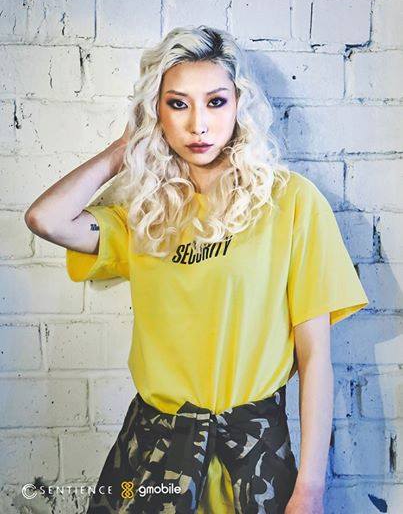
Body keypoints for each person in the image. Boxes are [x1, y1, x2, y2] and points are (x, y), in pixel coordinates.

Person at [25, 25, 369, 514]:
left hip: (255, 458)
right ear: (157, 112)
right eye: (177, 104)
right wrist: (125, 148)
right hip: (153, 454)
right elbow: (46, 219)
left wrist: (310, 487)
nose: (198, 125)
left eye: (216, 102)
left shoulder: (291, 203)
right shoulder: (145, 214)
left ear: (239, 106)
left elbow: (314, 357)